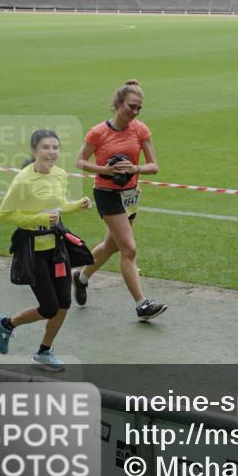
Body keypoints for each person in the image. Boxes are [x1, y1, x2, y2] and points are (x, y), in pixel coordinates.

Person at [0, 129, 92, 371]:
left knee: (64, 303)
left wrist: (77, 205)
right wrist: (38, 220)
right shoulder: (23, 180)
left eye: (55, 147)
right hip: (32, 249)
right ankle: (6, 323)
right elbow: (4, 214)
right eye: (46, 147)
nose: (51, 152)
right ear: (35, 150)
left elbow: (58, 207)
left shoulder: (59, 174)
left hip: (56, 248)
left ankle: (44, 351)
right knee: (48, 307)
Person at [73, 80, 167, 321]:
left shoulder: (141, 130)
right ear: (118, 104)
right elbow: (80, 162)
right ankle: (141, 304)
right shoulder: (98, 132)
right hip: (107, 195)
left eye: (139, 108)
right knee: (129, 248)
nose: (134, 112)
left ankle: (81, 277)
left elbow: (154, 166)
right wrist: (103, 170)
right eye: (131, 107)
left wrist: (135, 168)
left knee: (111, 247)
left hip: (130, 196)